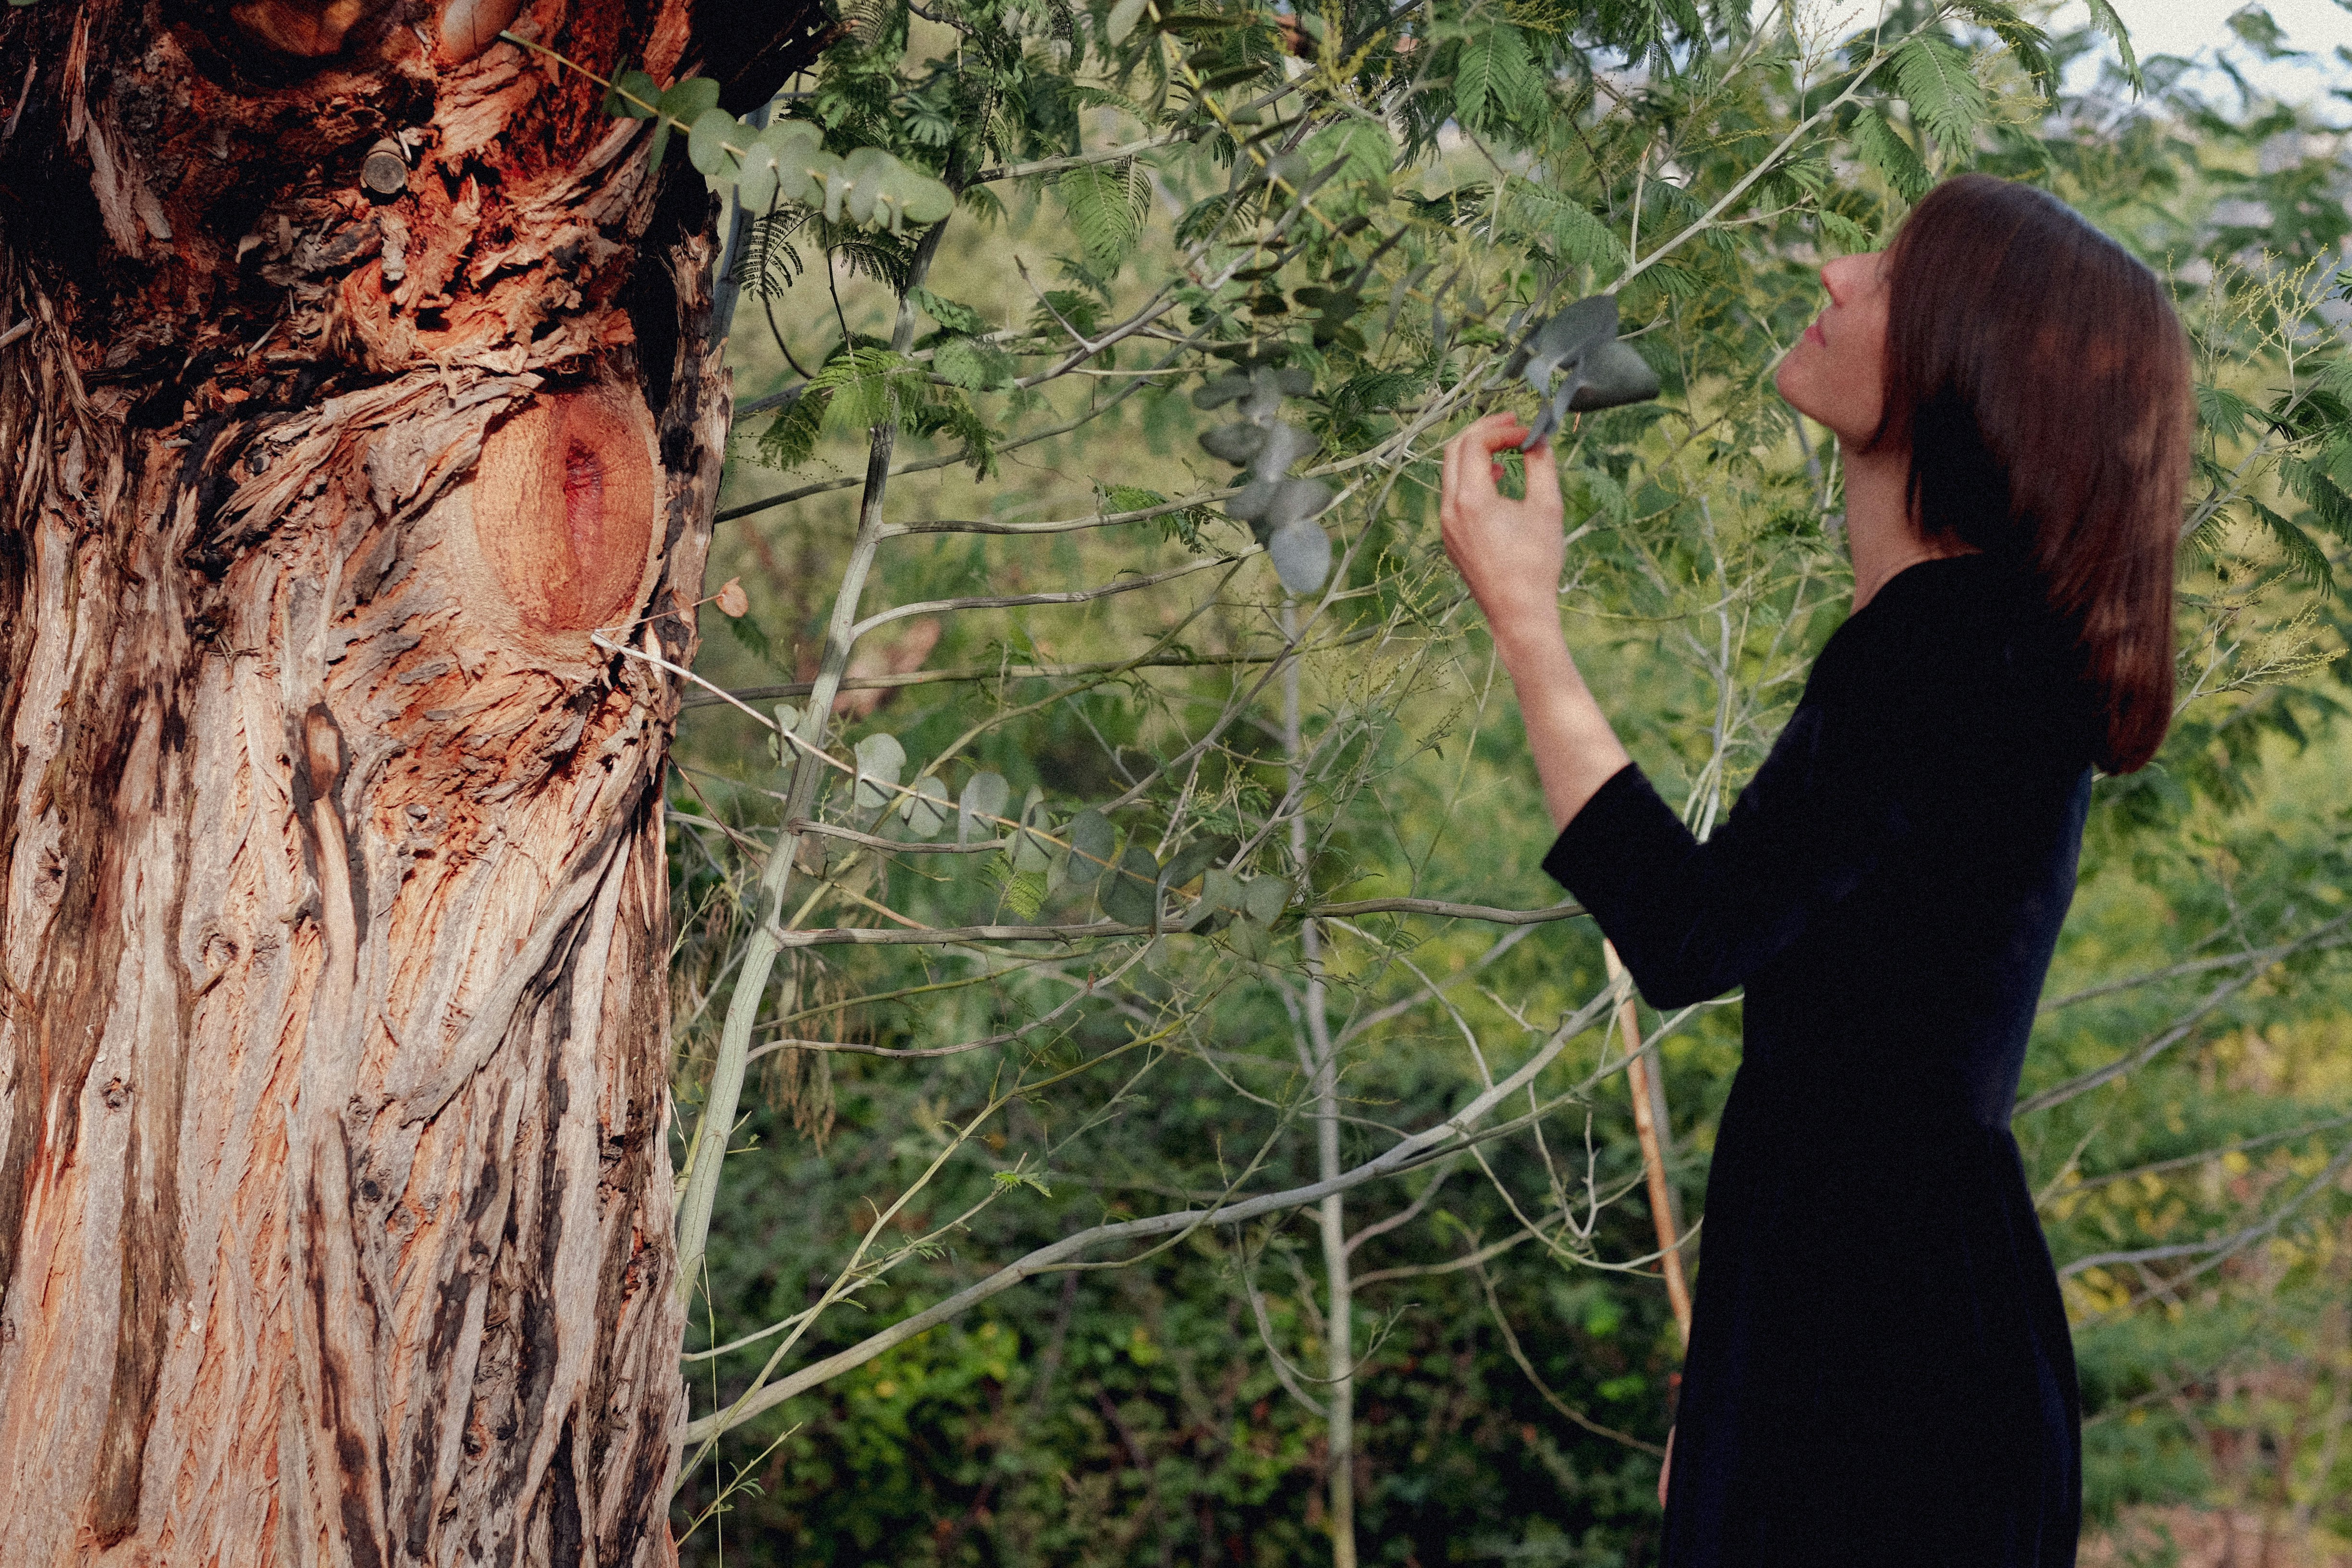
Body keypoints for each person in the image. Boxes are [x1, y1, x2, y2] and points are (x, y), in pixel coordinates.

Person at [1437, 173, 2193, 1566]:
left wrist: (1528, 623)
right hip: (1871, 1331)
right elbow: (1847, 1060)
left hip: (1887, 1368)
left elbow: (1690, 936)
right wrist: (1733, 1391)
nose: (1838, 273)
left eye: (1892, 274)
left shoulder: (1952, 646)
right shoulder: (1972, 642)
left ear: (1970, 363)